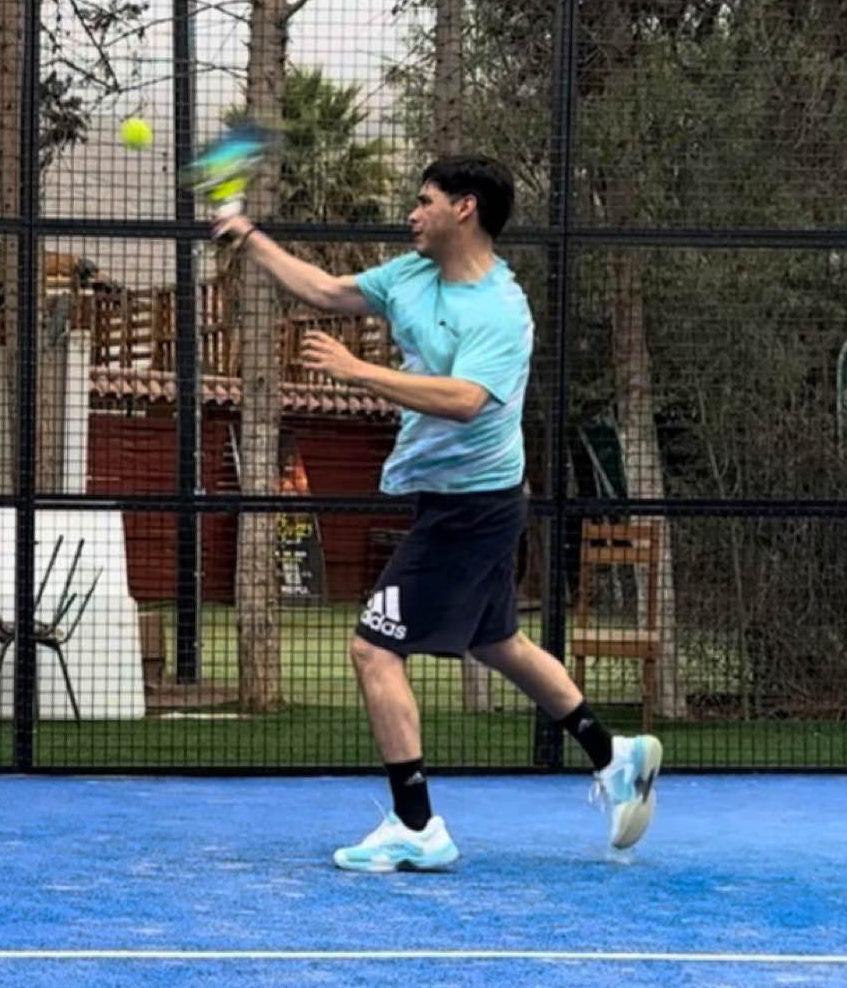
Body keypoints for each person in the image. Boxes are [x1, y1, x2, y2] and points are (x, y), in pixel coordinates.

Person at [222, 154, 661, 870]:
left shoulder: (500, 311)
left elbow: (465, 400)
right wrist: (248, 234)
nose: (412, 213)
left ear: (465, 208)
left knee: (373, 648)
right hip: (457, 498)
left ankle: (417, 825)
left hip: (473, 506)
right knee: (497, 644)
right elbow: (327, 289)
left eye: (425, 200)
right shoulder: (410, 275)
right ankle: (614, 756)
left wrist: (358, 371)